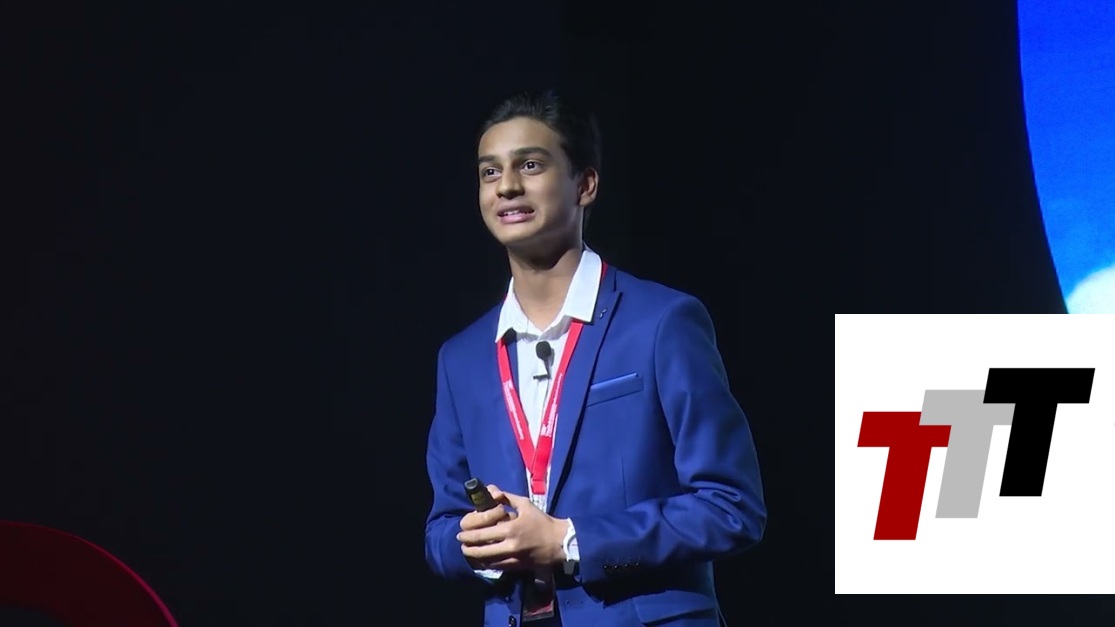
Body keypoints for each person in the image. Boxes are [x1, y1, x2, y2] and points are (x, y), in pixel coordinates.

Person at [423, 89, 766, 627]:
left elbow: (731, 506)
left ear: (585, 184)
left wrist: (567, 540)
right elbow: (441, 531)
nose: (506, 186)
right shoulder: (461, 358)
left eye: (530, 165)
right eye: (490, 172)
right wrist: (481, 545)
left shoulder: (661, 322)